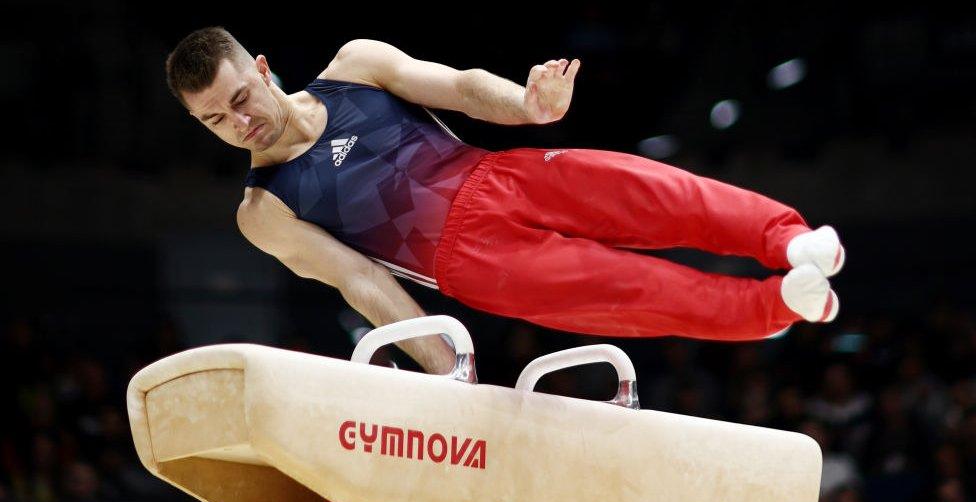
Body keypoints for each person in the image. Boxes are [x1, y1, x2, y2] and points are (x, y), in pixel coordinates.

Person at [164, 26, 846, 376]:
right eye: (215, 120)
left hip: (498, 173)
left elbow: (459, 86)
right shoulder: (264, 209)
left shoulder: (355, 66)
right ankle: (776, 306)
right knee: (632, 291)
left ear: (260, 68)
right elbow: (362, 280)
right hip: (477, 264)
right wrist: (446, 364)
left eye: (240, 99)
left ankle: (787, 240)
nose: (239, 122)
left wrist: (526, 105)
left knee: (655, 192)